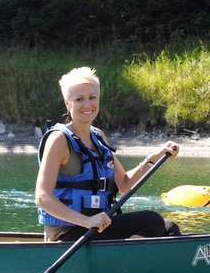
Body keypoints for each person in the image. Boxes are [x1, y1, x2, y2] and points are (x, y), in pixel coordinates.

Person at [35, 66, 182, 241]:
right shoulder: (58, 139)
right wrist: (87, 221)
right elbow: (42, 197)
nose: (87, 105)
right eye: (79, 99)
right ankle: (122, 264)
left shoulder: (98, 136)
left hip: (96, 228)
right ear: (68, 103)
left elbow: (125, 184)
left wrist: (154, 158)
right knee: (152, 220)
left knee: (169, 228)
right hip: (67, 233)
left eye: (92, 98)